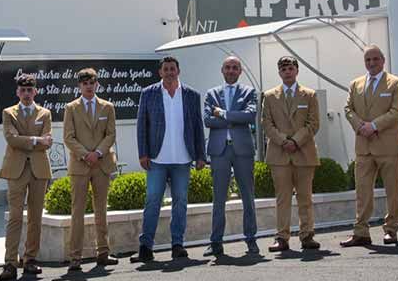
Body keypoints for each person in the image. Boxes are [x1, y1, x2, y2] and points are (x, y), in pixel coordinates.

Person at [133, 56, 206, 262]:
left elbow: (198, 126)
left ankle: (177, 244)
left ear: (178, 71)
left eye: (172, 69)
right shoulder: (148, 94)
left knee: (180, 202)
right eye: (165, 69)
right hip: (157, 158)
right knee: (152, 201)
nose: (169, 72)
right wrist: (143, 153)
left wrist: (200, 155)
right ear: (160, 72)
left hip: (183, 159)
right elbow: (141, 126)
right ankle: (146, 246)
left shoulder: (191, 95)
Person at [341, 45, 398, 247]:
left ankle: (391, 230)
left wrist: (374, 126)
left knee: (392, 191)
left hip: (388, 146)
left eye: (375, 59)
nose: (371, 63)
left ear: (383, 60)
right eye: (368, 60)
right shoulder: (355, 84)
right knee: (362, 192)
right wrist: (360, 125)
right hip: (364, 146)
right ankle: (361, 232)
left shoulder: (396, 83)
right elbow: (348, 108)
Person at [261, 56, 321, 252]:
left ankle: (307, 235)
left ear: (297, 70)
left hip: (303, 153)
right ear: (279, 72)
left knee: (305, 197)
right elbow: (266, 124)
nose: (287, 72)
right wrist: (283, 141)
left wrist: (295, 141)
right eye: (283, 69)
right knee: (282, 198)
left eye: (290, 68)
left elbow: (313, 124)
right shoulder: (269, 96)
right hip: (279, 154)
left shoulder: (310, 95)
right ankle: (282, 237)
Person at [63, 68, 119, 270]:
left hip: (101, 164)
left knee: (101, 210)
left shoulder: (107, 107)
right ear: (79, 86)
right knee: (77, 211)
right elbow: (68, 137)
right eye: (84, 83)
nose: (88, 86)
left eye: (91, 83)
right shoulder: (71, 107)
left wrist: (98, 153)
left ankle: (103, 252)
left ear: (97, 84)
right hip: (80, 164)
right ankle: (75, 257)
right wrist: (86, 154)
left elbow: (111, 135)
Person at [203, 56, 259, 257]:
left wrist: (224, 114)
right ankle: (216, 242)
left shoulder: (249, 92)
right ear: (222, 70)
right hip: (220, 150)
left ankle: (251, 239)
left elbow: (249, 116)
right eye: (227, 67)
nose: (231, 71)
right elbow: (208, 120)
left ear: (240, 71)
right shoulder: (212, 93)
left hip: (242, 149)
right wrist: (234, 118)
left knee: (247, 196)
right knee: (219, 198)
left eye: (235, 68)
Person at [0, 74, 53, 280]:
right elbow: (11, 139)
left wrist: (34, 140)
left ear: (35, 91)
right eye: (23, 90)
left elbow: (48, 141)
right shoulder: (9, 113)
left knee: (35, 217)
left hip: (39, 169)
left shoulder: (45, 113)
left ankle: (30, 259)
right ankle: (10, 263)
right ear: (17, 92)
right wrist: (36, 139)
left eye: (30, 90)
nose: (26, 93)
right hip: (16, 169)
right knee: (15, 217)